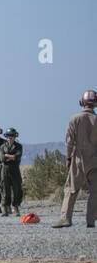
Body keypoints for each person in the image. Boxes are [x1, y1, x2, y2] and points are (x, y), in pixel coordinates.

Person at [54, 89, 97, 228]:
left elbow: (69, 141)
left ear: (82, 102)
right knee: (95, 191)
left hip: (78, 158)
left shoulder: (74, 118)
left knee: (71, 189)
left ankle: (65, 219)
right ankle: (91, 221)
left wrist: (68, 157)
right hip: (94, 158)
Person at [0, 128, 23, 217]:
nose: (10, 137)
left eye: (12, 136)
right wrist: (11, 157)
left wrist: (7, 156)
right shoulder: (2, 147)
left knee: (17, 189)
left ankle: (15, 207)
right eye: (9, 136)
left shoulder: (19, 146)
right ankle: (5, 208)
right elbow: (2, 158)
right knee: (5, 189)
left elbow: (18, 156)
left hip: (15, 170)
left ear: (15, 136)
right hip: (5, 170)